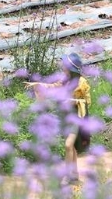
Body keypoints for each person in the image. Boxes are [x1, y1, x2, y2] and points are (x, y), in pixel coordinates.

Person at [25, 52, 91, 182]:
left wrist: (74, 101)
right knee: (71, 146)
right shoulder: (65, 80)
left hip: (77, 117)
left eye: (65, 66)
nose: (63, 68)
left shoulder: (82, 83)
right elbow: (54, 86)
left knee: (68, 145)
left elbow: (87, 101)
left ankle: (67, 175)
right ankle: (74, 173)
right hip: (66, 116)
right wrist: (38, 85)